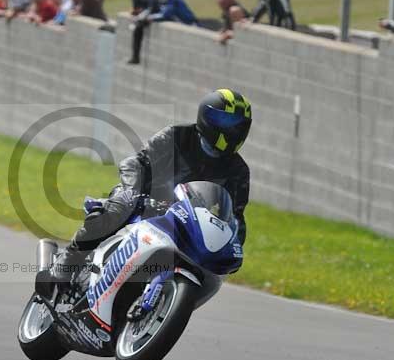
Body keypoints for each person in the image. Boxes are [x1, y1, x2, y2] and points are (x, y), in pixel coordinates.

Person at [37, 89, 252, 291]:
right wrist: (134, 191)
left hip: (185, 223)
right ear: (206, 118)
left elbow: (235, 216)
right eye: (225, 121)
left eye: (238, 125)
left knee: (207, 266)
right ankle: (66, 263)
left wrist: (233, 245)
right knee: (117, 209)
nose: (232, 130)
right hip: (145, 201)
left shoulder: (238, 171)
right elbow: (138, 162)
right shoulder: (177, 135)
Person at [129, 0, 196, 64]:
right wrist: (139, 17)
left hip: (189, 24)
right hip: (182, 25)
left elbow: (166, 14)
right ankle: (135, 57)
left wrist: (150, 18)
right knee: (139, 27)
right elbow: (151, 9)